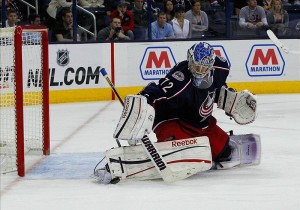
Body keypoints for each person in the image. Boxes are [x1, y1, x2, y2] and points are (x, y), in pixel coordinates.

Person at [94, 42, 258, 184]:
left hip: (201, 123)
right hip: (172, 120)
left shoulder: (221, 67)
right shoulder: (179, 81)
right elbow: (155, 91)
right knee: (176, 152)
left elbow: (216, 88)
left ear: (211, 65)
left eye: (203, 67)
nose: (199, 70)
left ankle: (204, 147)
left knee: (225, 152)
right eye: (196, 66)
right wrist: (140, 104)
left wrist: (228, 96)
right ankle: (125, 163)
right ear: (189, 61)